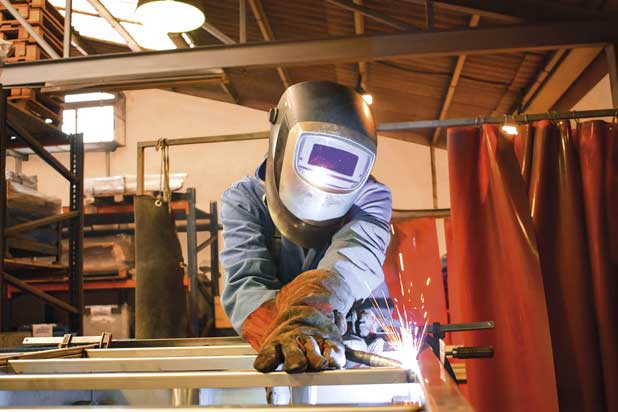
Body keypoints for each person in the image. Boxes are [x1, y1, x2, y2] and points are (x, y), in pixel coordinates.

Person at [220, 81, 392, 373]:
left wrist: (314, 311)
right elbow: (246, 283)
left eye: (343, 164)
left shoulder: (371, 196)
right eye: (318, 155)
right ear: (283, 141)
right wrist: (290, 332)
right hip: (282, 350)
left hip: (360, 348)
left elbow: (355, 255)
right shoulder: (243, 198)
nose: (327, 172)